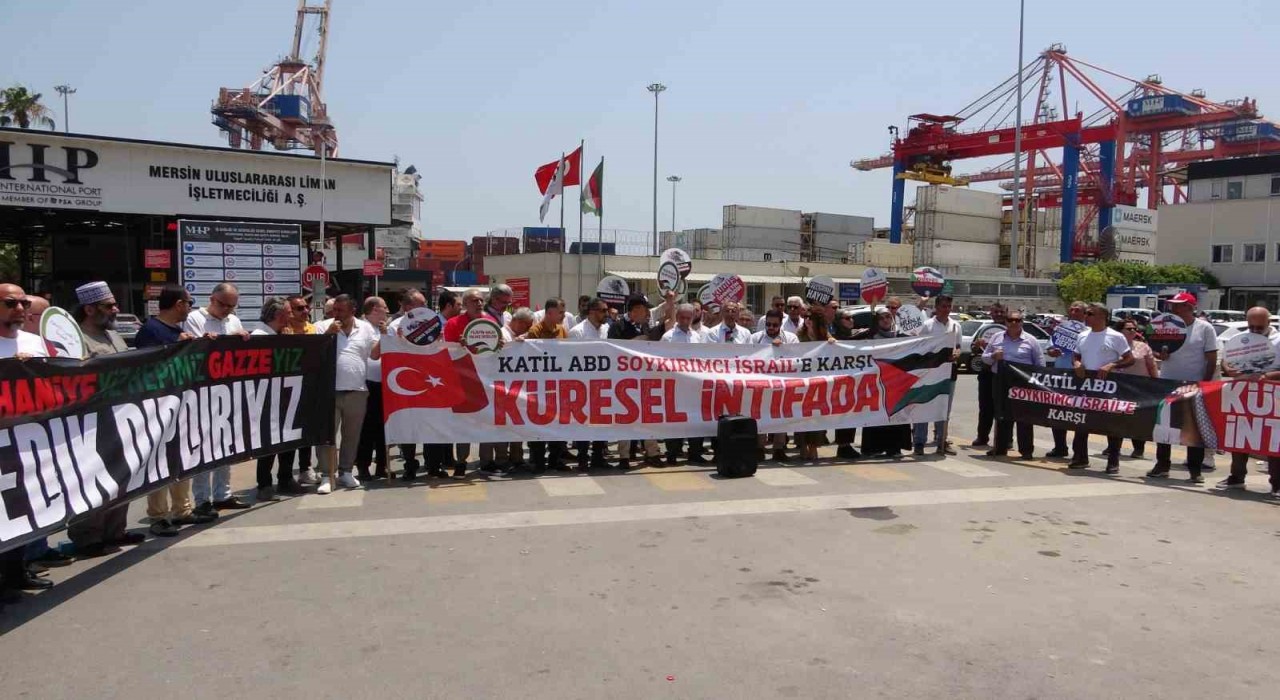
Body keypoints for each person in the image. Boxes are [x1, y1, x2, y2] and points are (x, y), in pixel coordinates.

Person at [134, 285, 223, 534]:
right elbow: (146, 366)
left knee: (181, 458)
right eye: (189, 302)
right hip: (159, 406)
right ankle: (159, 515)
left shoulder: (177, 330)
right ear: (178, 304)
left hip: (180, 405)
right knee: (160, 462)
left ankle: (182, 509)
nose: (190, 307)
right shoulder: (151, 331)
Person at [68, 281, 148, 556]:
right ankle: (88, 537)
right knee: (93, 480)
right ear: (89, 309)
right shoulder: (75, 338)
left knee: (122, 476)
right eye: (109, 306)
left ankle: (115, 531)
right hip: (91, 423)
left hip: (122, 417)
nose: (116, 310)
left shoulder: (113, 336)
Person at [0, 283, 56, 597]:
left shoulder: (35, 342)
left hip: (30, 441)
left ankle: (16, 572)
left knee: (22, 510)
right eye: (10, 303)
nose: (19, 309)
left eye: (22, 303)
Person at [183, 283, 253, 514]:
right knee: (203, 447)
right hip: (203, 391)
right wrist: (204, 341)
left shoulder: (233, 320)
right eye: (223, 305)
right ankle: (202, 499)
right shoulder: (194, 318)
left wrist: (240, 338)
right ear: (212, 299)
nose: (227, 310)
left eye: (232, 306)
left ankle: (223, 494)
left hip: (228, 388)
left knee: (227, 445)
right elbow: (188, 350)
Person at [1146, 292, 1218, 484]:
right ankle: (1162, 465)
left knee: (1193, 428)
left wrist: (1205, 383)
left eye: (1178, 305)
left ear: (1190, 307)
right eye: (1172, 305)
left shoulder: (1204, 328)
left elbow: (1211, 358)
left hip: (1193, 384)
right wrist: (1159, 354)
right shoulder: (1165, 326)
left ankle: (1195, 470)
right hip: (1167, 382)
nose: (1173, 309)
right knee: (1164, 427)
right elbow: (1155, 350)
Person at [314, 295, 381, 493]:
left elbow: (375, 354)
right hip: (329, 390)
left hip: (357, 390)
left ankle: (345, 472)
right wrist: (329, 334)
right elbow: (315, 354)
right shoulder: (322, 326)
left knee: (351, 435)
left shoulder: (365, 328)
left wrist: (386, 338)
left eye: (341, 310)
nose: (336, 314)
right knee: (327, 436)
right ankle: (327, 475)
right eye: (335, 310)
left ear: (352, 310)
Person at [1216, 307, 1280, 498]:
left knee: (1272, 437)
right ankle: (1236, 477)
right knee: (1239, 433)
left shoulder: (1278, 341)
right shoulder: (1241, 338)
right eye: (1251, 326)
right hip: (1243, 392)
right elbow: (1226, 361)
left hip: (1272, 394)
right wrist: (1229, 369)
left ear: (1268, 322)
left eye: (1259, 327)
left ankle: (1277, 483)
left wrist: (1265, 376)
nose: (1254, 331)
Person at [1071, 303, 1134, 474]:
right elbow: (1076, 354)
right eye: (1086, 313)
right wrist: (1077, 363)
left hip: (1108, 387)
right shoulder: (1082, 335)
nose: (1086, 316)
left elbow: (1130, 359)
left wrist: (1112, 365)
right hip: (1086, 386)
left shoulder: (1115, 336)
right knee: (1081, 421)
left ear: (1102, 316)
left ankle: (1113, 461)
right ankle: (1080, 457)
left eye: (1090, 313)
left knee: (1112, 425)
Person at [981, 311, 1044, 459]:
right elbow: (985, 358)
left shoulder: (1031, 340)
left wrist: (1034, 383)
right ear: (1006, 322)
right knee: (1001, 415)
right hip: (1001, 381)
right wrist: (993, 356)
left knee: (1024, 417)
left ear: (1022, 322)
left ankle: (1026, 450)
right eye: (1010, 320)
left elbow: (1040, 364)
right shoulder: (997, 338)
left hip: (1023, 382)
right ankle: (1000, 447)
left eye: (1017, 320)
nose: (1014, 323)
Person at [608, 296, 662, 468]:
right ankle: (624, 456)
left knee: (649, 416)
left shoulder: (646, 325)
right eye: (643, 309)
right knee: (625, 417)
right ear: (634, 310)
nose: (647, 312)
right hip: (624, 381)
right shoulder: (617, 327)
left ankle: (652, 452)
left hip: (645, 378)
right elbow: (613, 350)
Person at [853, 309, 910, 458]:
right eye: (881, 318)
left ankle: (894, 448)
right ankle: (872, 448)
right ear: (876, 321)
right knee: (875, 414)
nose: (885, 320)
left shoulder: (901, 337)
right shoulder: (868, 337)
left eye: (888, 317)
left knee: (894, 413)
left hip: (895, 382)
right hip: (874, 382)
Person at [567, 298, 614, 470]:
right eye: (603, 310)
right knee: (583, 424)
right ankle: (582, 459)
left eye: (606, 310)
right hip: (583, 384)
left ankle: (598, 457)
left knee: (602, 422)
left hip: (603, 383)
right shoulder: (577, 332)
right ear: (592, 311)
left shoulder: (607, 329)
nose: (606, 314)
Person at [913, 295, 961, 456]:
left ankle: (942, 441)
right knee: (923, 406)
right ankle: (919, 442)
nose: (946, 309)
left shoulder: (956, 326)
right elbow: (920, 347)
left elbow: (959, 346)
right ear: (937, 307)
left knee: (944, 409)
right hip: (929, 372)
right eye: (943, 306)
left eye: (949, 306)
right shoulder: (927, 326)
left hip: (948, 373)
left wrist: (956, 353)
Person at [662, 304, 708, 464]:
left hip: (694, 385)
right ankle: (672, 453)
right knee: (674, 420)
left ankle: (695, 452)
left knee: (695, 418)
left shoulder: (697, 336)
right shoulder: (668, 337)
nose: (685, 321)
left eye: (688, 318)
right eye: (682, 317)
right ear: (677, 316)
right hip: (674, 385)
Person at [751, 309, 799, 461]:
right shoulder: (755, 338)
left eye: (774, 325)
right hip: (759, 382)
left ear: (780, 324)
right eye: (768, 324)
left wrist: (782, 348)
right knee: (759, 414)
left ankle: (779, 448)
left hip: (782, 383)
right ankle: (759, 447)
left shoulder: (790, 338)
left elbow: (797, 357)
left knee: (780, 414)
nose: (771, 327)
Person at [284, 294, 321, 484]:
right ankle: (285, 475)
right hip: (286, 390)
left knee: (307, 432)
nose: (305, 311)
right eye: (299, 308)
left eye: (306, 307)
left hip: (308, 387)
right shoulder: (282, 331)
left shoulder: (312, 329)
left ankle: (305, 468)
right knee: (289, 434)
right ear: (289, 311)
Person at [355, 296, 392, 481]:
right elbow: (375, 354)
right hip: (368, 383)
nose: (387, 310)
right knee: (368, 428)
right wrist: (385, 336)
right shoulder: (363, 328)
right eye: (384, 307)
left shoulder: (379, 327)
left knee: (382, 427)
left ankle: (381, 466)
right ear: (375, 309)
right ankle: (363, 466)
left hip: (383, 383)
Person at [1045, 302, 1088, 458]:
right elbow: (1049, 349)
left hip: (1079, 377)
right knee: (1057, 412)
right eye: (1071, 309)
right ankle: (1060, 447)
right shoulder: (1060, 328)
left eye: (1077, 310)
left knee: (1078, 414)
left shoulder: (1088, 332)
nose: (1073, 312)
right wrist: (1053, 351)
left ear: (1085, 314)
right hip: (1060, 375)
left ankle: (1079, 452)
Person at [797, 309, 837, 460]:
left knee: (817, 415)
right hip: (801, 382)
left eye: (811, 317)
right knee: (800, 414)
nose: (807, 319)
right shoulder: (799, 336)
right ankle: (802, 446)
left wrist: (833, 343)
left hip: (819, 382)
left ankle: (813, 446)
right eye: (805, 317)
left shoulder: (825, 337)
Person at [1116, 316, 1158, 459]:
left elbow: (1152, 367)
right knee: (1117, 419)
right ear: (1120, 331)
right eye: (1129, 329)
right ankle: (1113, 448)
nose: (1133, 331)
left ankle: (1138, 449)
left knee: (1138, 420)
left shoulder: (1143, 346)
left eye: (1135, 328)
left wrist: (1155, 384)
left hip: (1140, 388)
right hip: (1119, 387)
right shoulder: (1112, 346)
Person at [971, 303, 1006, 447]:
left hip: (1005, 375)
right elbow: (973, 348)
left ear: (1006, 312)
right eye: (995, 312)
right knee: (985, 408)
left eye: (1001, 311)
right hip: (986, 374)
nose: (998, 314)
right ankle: (982, 437)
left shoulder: (1011, 329)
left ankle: (1005, 440)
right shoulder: (985, 329)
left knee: (1005, 409)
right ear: (990, 313)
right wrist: (977, 345)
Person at [829, 307, 862, 460]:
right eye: (847, 318)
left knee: (852, 412)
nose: (851, 321)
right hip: (838, 381)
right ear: (839, 321)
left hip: (854, 380)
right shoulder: (835, 338)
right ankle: (842, 445)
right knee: (843, 412)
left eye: (851, 318)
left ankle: (846, 444)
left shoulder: (856, 335)